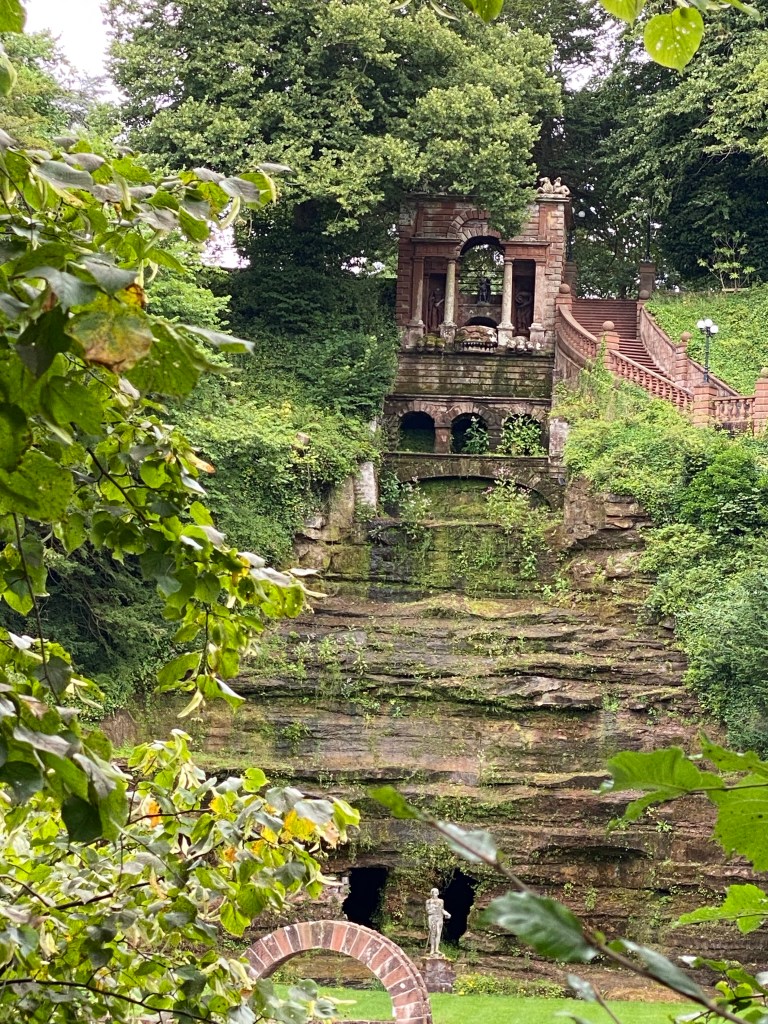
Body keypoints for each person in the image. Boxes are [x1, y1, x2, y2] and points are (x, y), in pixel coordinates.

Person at [425, 888, 450, 955]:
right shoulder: (428, 901)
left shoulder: (441, 901)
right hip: (432, 918)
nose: (435, 894)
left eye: (436, 892)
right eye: (434, 892)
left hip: (439, 918)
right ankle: (432, 949)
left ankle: (437, 949)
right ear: (431, 893)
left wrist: (446, 913)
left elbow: (442, 909)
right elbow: (428, 911)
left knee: (438, 933)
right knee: (433, 933)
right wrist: (433, 909)